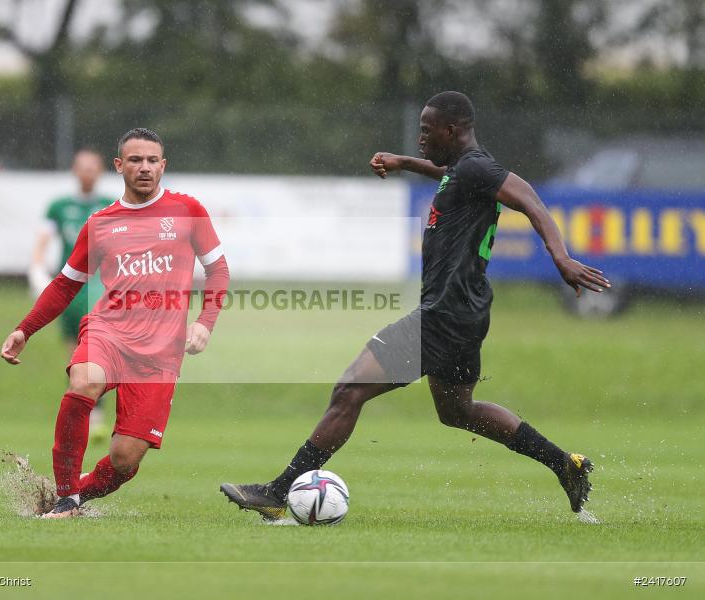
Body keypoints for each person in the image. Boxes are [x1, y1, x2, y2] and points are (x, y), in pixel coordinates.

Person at [220, 91, 609, 520]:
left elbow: (530, 198)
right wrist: (406, 162)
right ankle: (565, 465)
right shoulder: (464, 168)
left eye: (427, 131)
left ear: (452, 130)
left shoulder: (478, 167)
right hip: (466, 312)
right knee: (458, 411)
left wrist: (561, 256)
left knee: (349, 391)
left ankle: (278, 493)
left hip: (443, 315)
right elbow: (446, 172)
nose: (422, 138)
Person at [2, 128, 230, 518]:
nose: (145, 168)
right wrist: (25, 328)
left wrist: (205, 322)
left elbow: (219, 271)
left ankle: (75, 492)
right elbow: (65, 285)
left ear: (164, 166)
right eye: (136, 160)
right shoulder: (101, 223)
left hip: (160, 351)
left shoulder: (188, 210)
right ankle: (65, 498)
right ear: (119, 165)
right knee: (84, 382)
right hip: (109, 330)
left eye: (152, 160)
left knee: (125, 459)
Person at [28, 149, 115, 439]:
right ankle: (79, 419)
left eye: (93, 167)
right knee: (75, 356)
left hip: (102, 288)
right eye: (82, 167)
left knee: (99, 353)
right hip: (72, 289)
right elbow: (42, 243)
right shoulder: (59, 207)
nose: (87, 173)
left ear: (100, 171)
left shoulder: (111, 205)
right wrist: (37, 271)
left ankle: (97, 417)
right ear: (75, 171)